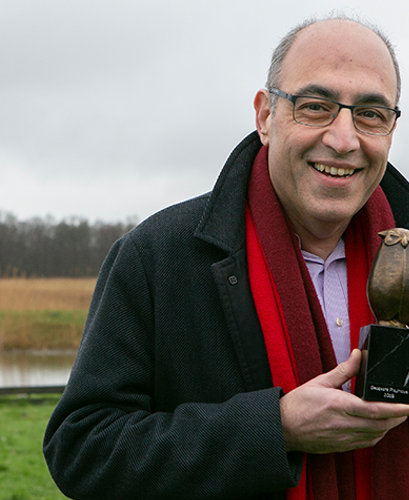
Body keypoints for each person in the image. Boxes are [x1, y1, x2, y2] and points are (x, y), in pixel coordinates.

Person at [44, 15, 409, 500]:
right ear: (264, 117)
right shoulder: (157, 256)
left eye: (370, 114)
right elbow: (83, 449)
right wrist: (273, 430)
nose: (343, 139)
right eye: (316, 107)